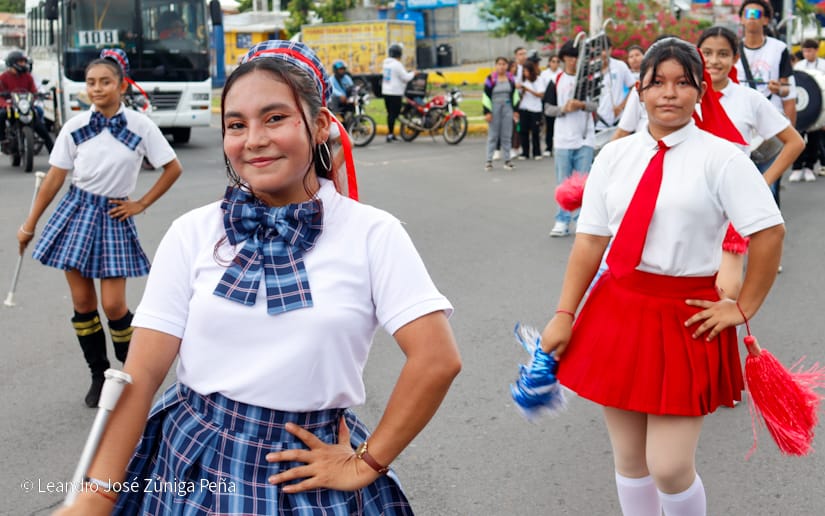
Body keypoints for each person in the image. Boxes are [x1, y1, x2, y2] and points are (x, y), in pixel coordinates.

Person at [53, 40, 461, 515]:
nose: (253, 140)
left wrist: (367, 462)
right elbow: (140, 374)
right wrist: (96, 496)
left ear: (321, 124)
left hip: (304, 472)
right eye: (236, 125)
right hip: (193, 460)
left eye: (275, 118)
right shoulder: (193, 232)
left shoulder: (373, 233)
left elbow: (436, 359)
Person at [539, 37, 784, 516]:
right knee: (631, 460)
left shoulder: (724, 157)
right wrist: (564, 313)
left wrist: (743, 305)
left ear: (700, 92)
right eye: (657, 83)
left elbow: (770, 231)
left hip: (686, 317)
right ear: (640, 91)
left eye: (682, 83)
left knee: (669, 466)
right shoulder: (614, 156)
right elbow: (590, 241)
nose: (668, 93)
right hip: (618, 309)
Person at [16, 54, 182, 408]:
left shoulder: (141, 127)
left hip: (114, 215)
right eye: (91, 82)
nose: (96, 89)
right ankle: (97, 372)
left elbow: (172, 168)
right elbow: (55, 179)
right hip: (76, 211)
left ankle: (131, 372)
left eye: (105, 82)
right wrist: (28, 225)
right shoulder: (74, 127)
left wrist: (140, 203)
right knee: (83, 303)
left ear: (121, 85)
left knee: (114, 304)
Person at [735, 0, 796, 206]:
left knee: (767, 188)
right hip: (740, 129)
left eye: (757, 14)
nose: (752, 18)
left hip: (770, 131)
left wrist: (778, 89)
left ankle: (769, 232)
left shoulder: (779, 49)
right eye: (748, 14)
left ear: (766, 19)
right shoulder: (732, 51)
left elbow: (789, 91)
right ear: (741, 18)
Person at [543, 39, 597, 237]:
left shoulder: (589, 81)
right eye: (570, 57)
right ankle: (562, 220)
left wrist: (581, 105)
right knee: (564, 182)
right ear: (564, 58)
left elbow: (597, 105)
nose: (573, 61)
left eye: (577, 57)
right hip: (563, 139)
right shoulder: (555, 80)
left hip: (585, 138)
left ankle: (583, 222)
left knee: (585, 184)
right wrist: (564, 109)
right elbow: (547, 109)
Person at [0, 49, 54, 154]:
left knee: (42, 128)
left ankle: (54, 154)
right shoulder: (3, 77)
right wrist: (5, 104)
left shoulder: (28, 77)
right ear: (12, 63)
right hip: (11, 107)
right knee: (1, 115)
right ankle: (2, 139)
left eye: (24, 62)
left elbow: (33, 91)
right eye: (20, 62)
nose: (23, 64)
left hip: (25, 106)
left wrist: (38, 96)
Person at [790, 38, 825, 182]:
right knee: (797, 137)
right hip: (801, 106)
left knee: (814, 138)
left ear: (816, 51)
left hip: (819, 108)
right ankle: (797, 167)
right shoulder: (798, 66)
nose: (807, 53)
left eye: (810, 51)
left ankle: (809, 167)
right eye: (804, 51)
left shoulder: (823, 65)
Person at [482, 56, 519, 171]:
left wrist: (516, 110)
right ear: (496, 65)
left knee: (507, 135)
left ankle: (507, 160)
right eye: (499, 64)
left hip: (507, 108)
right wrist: (487, 112)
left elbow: (515, 95)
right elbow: (486, 96)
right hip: (494, 108)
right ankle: (489, 161)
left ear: (507, 66)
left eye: (504, 64)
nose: (502, 66)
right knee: (493, 135)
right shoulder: (491, 78)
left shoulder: (510, 78)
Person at [595, 36, 636, 130]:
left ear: (610, 49)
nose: (602, 53)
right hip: (597, 123)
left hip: (618, 121)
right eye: (599, 50)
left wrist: (621, 107)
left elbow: (633, 88)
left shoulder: (620, 66)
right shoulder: (591, 70)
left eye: (605, 50)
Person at [381, 43, 415, 143]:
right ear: (399, 54)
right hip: (395, 93)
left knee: (390, 114)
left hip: (386, 92)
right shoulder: (397, 64)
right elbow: (406, 78)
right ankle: (390, 135)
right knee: (394, 114)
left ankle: (390, 134)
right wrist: (414, 73)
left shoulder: (386, 63)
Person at [517, 59, 546, 161]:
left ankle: (536, 152)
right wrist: (521, 91)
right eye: (524, 72)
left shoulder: (539, 80)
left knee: (535, 131)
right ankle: (525, 152)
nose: (525, 74)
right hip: (524, 108)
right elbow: (518, 97)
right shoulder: (522, 81)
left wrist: (528, 89)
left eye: (527, 71)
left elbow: (541, 94)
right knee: (523, 131)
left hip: (535, 109)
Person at [540, 54, 561, 157]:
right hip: (549, 102)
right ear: (549, 62)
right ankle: (548, 147)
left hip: (559, 102)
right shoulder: (544, 74)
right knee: (549, 126)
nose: (555, 64)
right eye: (553, 61)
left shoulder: (561, 73)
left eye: (557, 62)